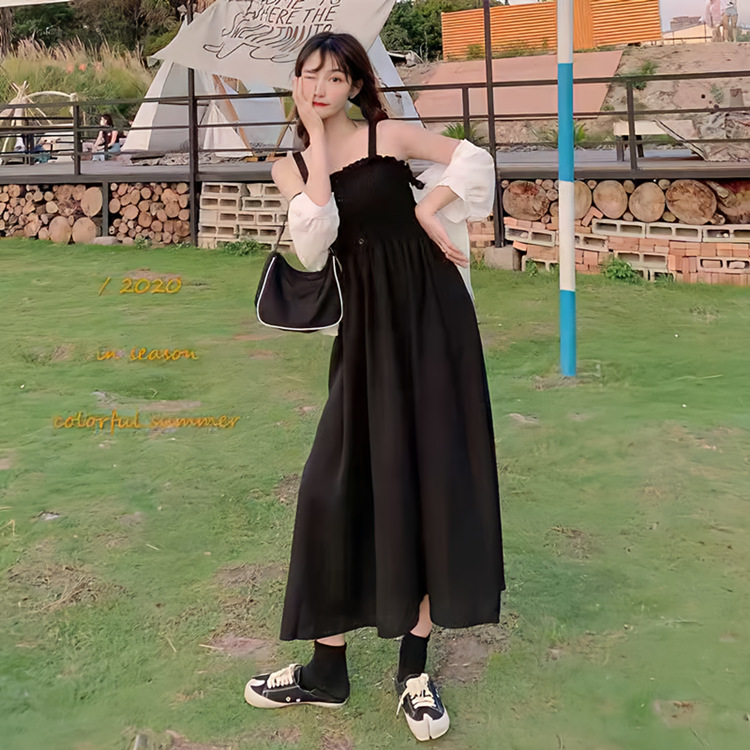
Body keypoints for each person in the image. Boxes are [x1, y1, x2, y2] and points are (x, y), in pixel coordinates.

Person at [243, 32, 505, 742]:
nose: (321, 87)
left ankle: (413, 673)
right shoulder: (290, 166)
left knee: (431, 481)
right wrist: (316, 153)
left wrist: (429, 206)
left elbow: (473, 159)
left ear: (356, 85)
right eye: (310, 76)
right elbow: (312, 243)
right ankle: (326, 671)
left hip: (433, 318)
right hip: (366, 335)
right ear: (296, 84)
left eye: (335, 77)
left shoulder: (389, 136)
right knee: (330, 486)